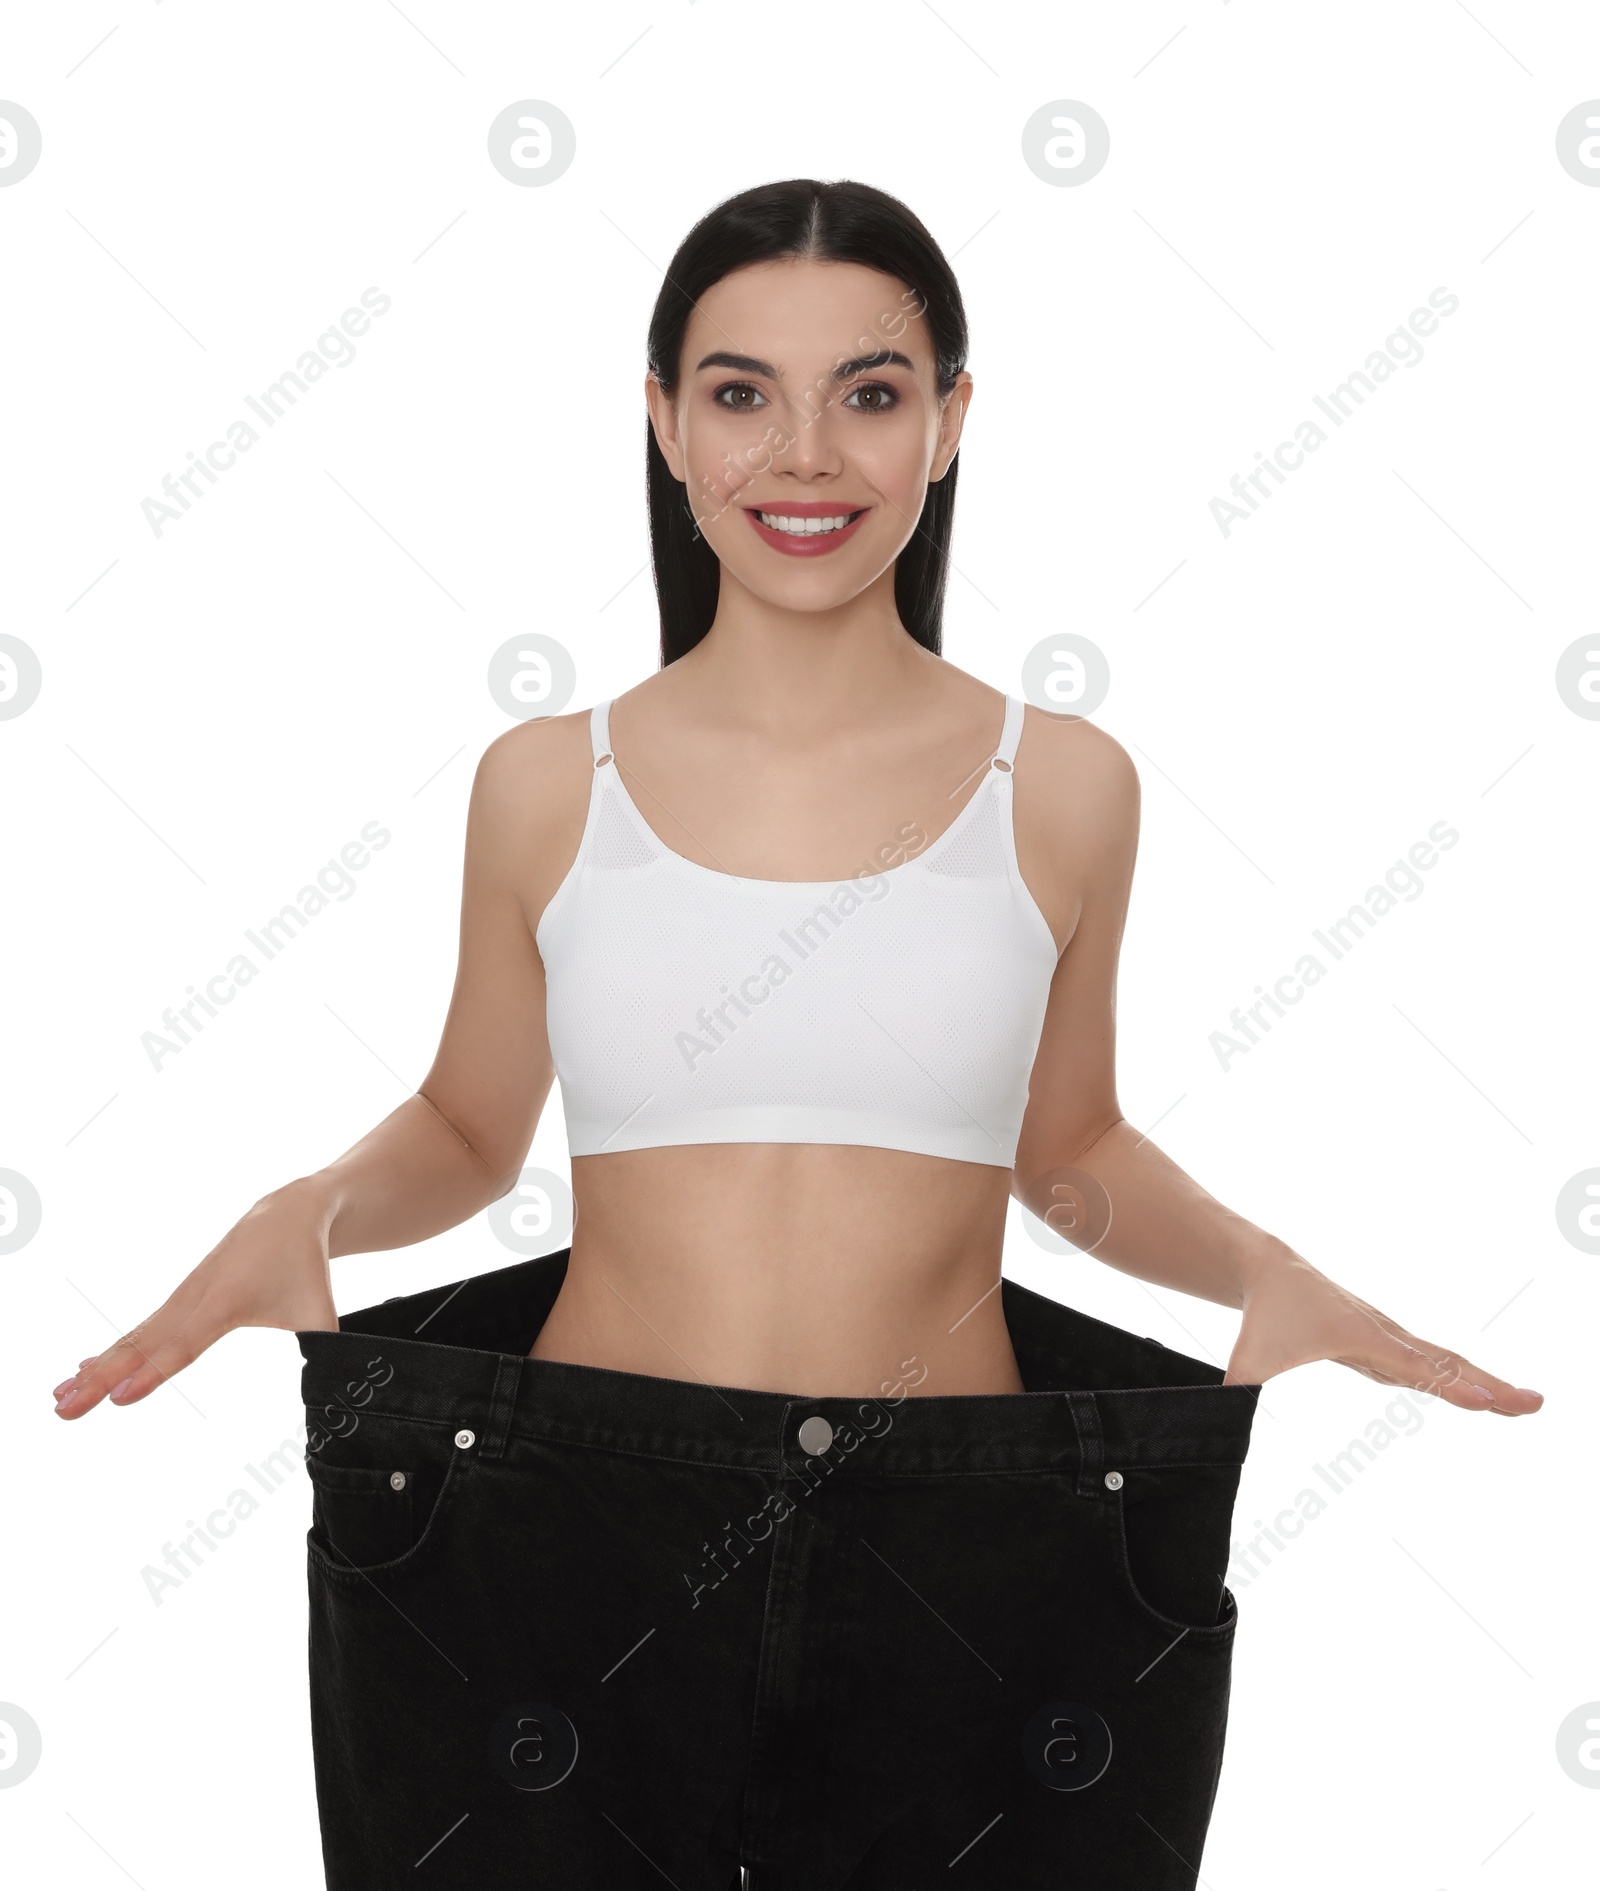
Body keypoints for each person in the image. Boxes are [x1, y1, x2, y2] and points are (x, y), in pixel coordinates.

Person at [51, 179, 1542, 1890]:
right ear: (668, 424)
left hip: (972, 1539)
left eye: (875, 392)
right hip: (574, 1514)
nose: (807, 453)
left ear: (951, 423)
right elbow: (471, 1132)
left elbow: (1069, 1151)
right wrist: (299, 1213)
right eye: (744, 393)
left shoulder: (1063, 787)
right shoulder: (546, 783)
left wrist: (1267, 1268)